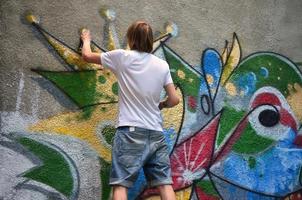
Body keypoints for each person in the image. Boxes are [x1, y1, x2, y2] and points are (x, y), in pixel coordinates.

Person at [81, 20, 179, 200]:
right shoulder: (162, 65)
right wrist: (163, 104)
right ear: (150, 40)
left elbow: (87, 56)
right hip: (156, 132)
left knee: (120, 185)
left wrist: (86, 39)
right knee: (165, 184)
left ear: (131, 38)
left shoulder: (122, 57)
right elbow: (174, 99)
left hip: (130, 132)